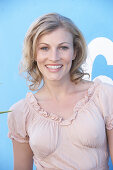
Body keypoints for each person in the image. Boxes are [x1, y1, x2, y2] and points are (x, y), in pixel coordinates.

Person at [8, 13, 113, 170]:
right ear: (34, 53)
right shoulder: (20, 112)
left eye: (63, 47)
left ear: (75, 51)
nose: (54, 57)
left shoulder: (105, 95)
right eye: (44, 48)